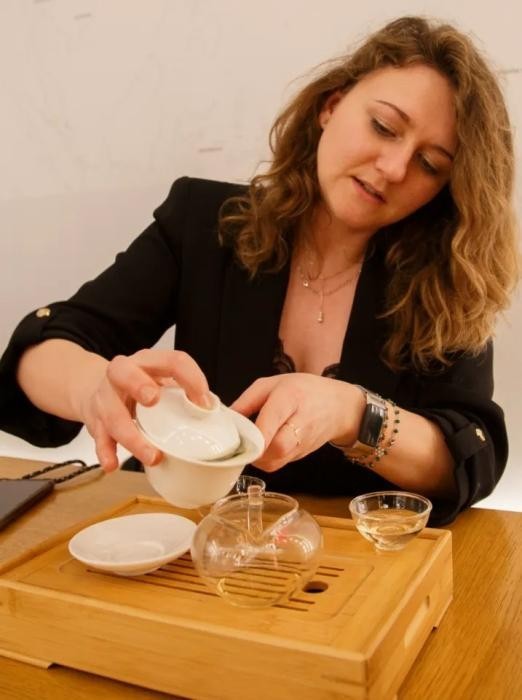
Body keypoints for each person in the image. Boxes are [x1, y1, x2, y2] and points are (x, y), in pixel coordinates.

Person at [0, 16, 518, 525]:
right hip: (182, 535)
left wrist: (354, 413)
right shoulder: (204, 222)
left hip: (351, 561)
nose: (394, 168)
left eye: (430, 164)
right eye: (383, 127)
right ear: (331, 106)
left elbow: (469, 456)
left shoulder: (449, 277)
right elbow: (43, 348)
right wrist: (95, 389)